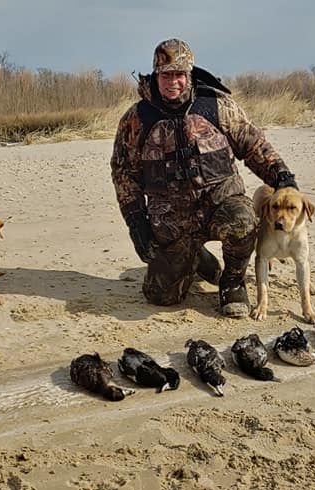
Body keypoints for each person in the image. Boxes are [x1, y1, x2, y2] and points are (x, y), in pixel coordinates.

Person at [111, 38, 299, 318]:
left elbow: (253, 145)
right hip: (171, 221)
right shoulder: (137, 118)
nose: (172, 81)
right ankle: (196, 258)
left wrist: (282, 177)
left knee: (244, 222)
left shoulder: (216, 105)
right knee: (161, 297)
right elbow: (124, 173)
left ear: (189, 74)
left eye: (178, 74)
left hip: (221, 204)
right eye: (165, 75)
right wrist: (136, 223)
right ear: (155, 75)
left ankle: (232, 282)